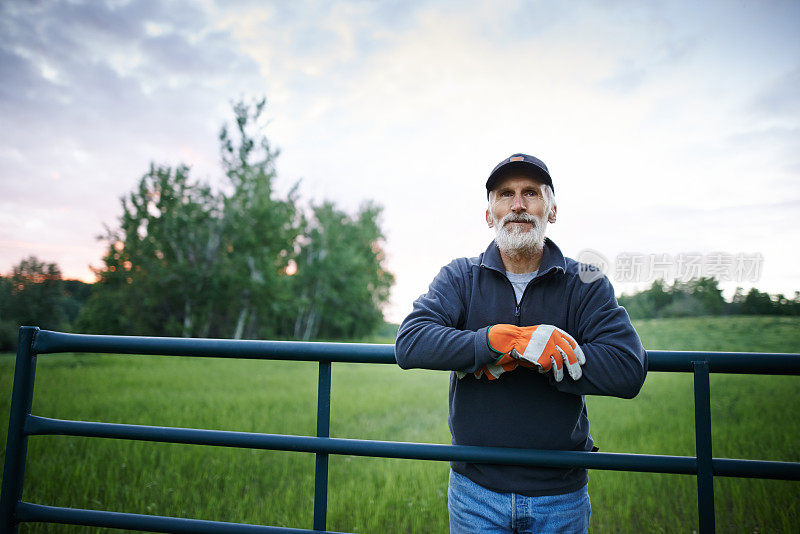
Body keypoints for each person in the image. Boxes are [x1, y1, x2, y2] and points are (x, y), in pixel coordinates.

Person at [394, 153, 647, 533]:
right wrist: (493, 342)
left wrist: (549, 357)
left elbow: (628, 368)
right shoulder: (461, 276)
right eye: (505, 194)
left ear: (552, 210)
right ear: (489, 214)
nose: (517, 204)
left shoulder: (586, 282)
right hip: (474, 490)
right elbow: (411, 341)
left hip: (560, 493)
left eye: (531, 193)